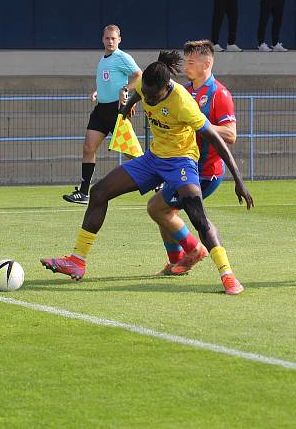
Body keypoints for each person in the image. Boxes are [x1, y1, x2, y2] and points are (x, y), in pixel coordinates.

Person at [42, 51, 253, 295]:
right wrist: (127, 108)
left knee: (196, 214)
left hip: (181, 162)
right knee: (99, 192)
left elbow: (217, 139)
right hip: (153, 159)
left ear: (166, 87)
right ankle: (77, 261)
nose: (149, 100)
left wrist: (239, 181)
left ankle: (227, 275)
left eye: (154, 96)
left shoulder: (184, 103)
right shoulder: (146, 84)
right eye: (147, 95)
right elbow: (139, 93)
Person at [146, 40, 237, 276]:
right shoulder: (183, 91)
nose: (185, 64)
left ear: (207, 63)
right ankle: (178, 261)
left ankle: (194, 254)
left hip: (206, 171)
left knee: (159, 209)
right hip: (180, 164)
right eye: (185, 60)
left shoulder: (219, 94)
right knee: (164, 211)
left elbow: (231, 134)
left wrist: (201, 125)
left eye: (191, 61)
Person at [63, 25, 142, 204]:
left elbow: (139, 76)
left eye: (113, 38)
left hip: (116, 110)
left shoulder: (122, 57)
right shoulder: (104, 59)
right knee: (88, 148)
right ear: (102, 39)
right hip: (101, 110)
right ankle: (84, 193)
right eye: (107, 38)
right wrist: (98, 91)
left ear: (119, 40)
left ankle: (158, 181)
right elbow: (108, 81)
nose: (110, 41)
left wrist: (125, 90)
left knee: (131, 152)